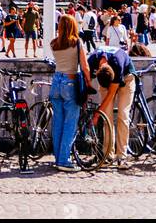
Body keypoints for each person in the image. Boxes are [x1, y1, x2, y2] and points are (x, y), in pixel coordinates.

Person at [49, 13, 92, 170]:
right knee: (70, 123)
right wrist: (88, 81)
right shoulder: (77, 43)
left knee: (58, 123)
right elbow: (85, 66)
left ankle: (58, 156)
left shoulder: (54, 43)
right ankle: (64, 160)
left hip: (56, 82)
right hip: (70, 82)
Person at [87, 45, 137, 167]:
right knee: (107, 118)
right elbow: (86, 79)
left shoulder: (117, 63)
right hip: (107, 76)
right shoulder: (92, 60)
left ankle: (122, 156)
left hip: (126, 78)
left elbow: (111, 94)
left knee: (123, 116)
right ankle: (107, 154)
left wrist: (96, 115)